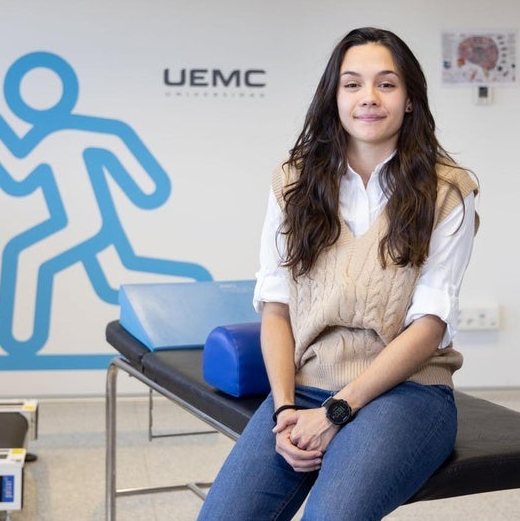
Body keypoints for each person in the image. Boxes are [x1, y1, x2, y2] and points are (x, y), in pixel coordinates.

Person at [198, 27, 479, 520]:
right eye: (352, 84)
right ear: (334, 96)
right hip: (305, 385)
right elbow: (277, 307)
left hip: (408, 390)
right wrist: (285, 410)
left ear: (410, 99)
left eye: (386, 84)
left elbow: (429, 326)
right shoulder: (293, 180)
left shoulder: (447, 190)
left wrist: (336, 412)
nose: (368, 98)